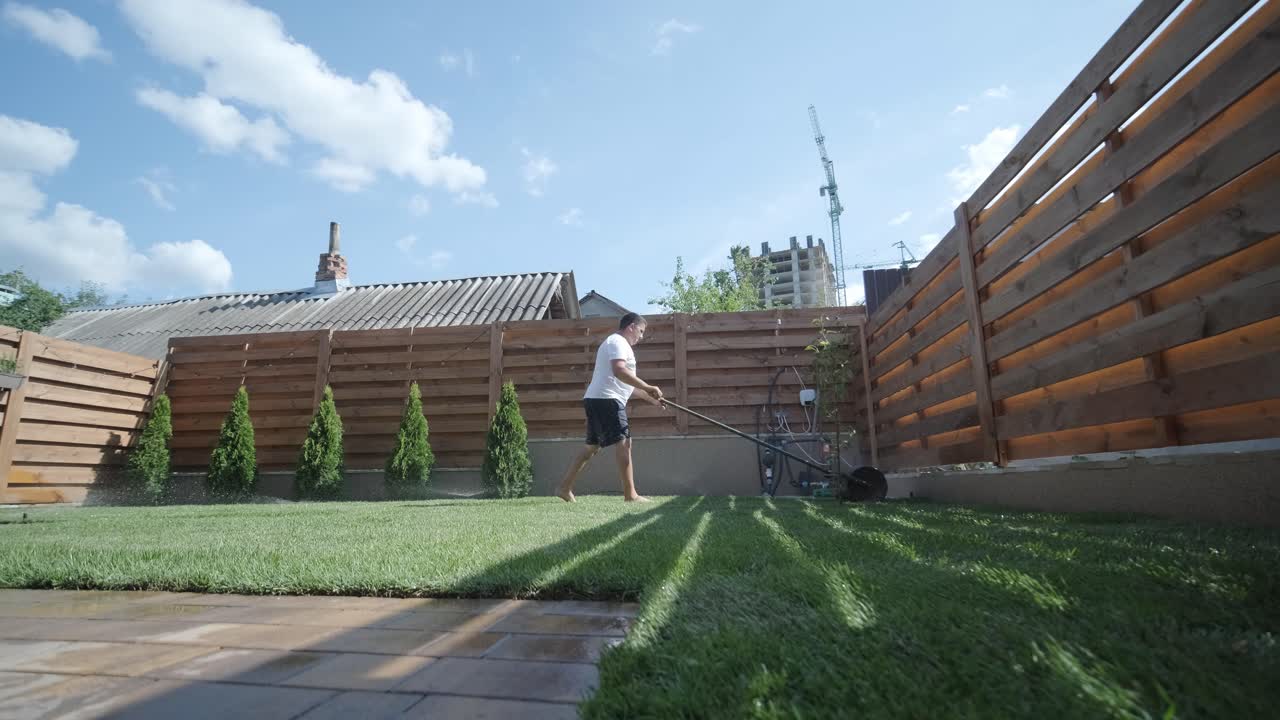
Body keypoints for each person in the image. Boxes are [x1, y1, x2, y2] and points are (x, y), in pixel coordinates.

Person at [557, 312, 665, 503]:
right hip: (607, 400)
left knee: (591, 447)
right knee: (624, 442)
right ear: (631, 326)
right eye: (640, 331)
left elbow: (626, 385)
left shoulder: (619, 345)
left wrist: (651, 399)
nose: (641, 336)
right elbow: (619, 371)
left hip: (598, 399)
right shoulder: (618, 342)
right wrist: (648, 386)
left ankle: (564, 488)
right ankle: (630, 495)